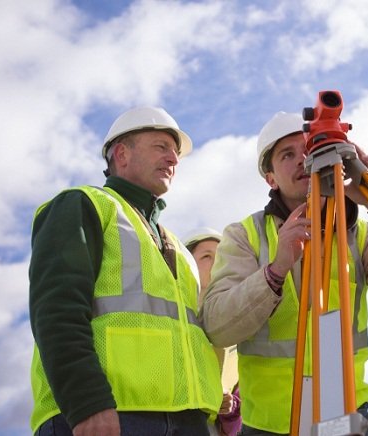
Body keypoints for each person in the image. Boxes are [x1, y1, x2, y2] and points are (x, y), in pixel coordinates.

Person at [199, 111, 368, 435]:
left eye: (307, 150)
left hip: (346, 417)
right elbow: (217, 326)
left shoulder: (361, 233)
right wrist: (276, 269)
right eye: (287, 154)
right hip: (271, 425)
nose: (302, 160)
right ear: (270, 177)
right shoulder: (245, 235)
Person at [29, 107, 223, 436]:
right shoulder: (84, 204)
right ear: (122, 153)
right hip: (109, 416)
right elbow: (56, 309)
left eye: (175, 152)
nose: (173, 159)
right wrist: (87, 404)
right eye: (161, 147)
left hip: (188, 421)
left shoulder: (176, 245)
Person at [184, 227, 243, 436]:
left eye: (220, 256)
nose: (216, 261)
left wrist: (230, 406)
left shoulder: (237, 325)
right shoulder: (176, 316)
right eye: (207, 256)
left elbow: (240, 390)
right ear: (187, 263)